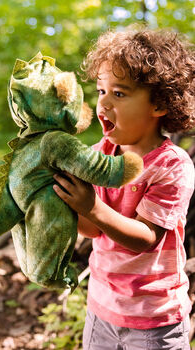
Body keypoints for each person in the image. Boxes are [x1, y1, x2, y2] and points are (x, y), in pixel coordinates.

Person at [53, 27, 195, 350]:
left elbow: (145, 239)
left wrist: (91, 205)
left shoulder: (172, 166)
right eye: (101, 91)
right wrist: (60, 198)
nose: (103, 104)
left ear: (159, 104)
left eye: (119, 93)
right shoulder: (99, 156)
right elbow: (92, 228)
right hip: (101, 310)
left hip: (154, 320)